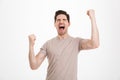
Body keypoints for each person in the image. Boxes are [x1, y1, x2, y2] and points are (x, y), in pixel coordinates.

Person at [28, 9, 99, 80]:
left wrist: (92, 18)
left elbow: (95, 44)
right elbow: (34, 65)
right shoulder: (48, 44)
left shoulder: (76, 42)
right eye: (58, 20)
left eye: (64, 19)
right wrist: (31, 45)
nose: (61, 21)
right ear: (55, 24)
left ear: (69, 23)